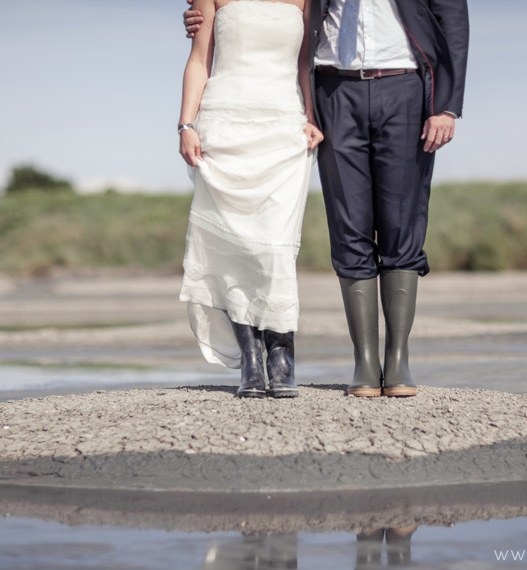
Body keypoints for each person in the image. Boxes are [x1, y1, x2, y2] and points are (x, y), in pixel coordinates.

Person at [186, 0, 469, 398]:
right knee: (347, 223)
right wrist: (204, 16)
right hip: (333, 92)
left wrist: (447, 106)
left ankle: (399, 358)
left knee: (402, 224)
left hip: (405, 86)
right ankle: (365, 362)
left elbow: (453, 21)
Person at [178, 0, 324, 399]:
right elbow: (198, 61)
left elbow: (304, 65)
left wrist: (311, 115)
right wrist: (186, 124)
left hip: (283, 125)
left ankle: (282, 356)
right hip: (223, 124)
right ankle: (251, 361)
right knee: (231, 244)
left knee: (275, 246)